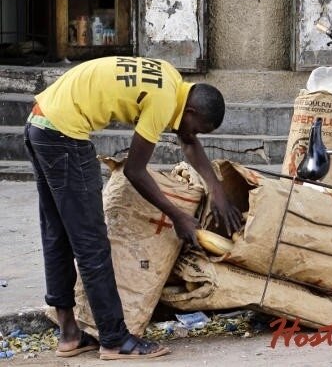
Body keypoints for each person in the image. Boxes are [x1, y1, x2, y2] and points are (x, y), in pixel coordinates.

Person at [23, 56, 243, 360]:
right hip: (64, 136)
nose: (195, 135)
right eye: (198, 128)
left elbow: (188, 140)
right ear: (190, 111)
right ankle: (115, 340)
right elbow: (135, 171)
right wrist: (178, 215)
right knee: (92, 243)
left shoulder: (170, 79)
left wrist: (216, 189)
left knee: (57, 233)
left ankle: (70, 334)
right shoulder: (164, 102)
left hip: (39, 123)